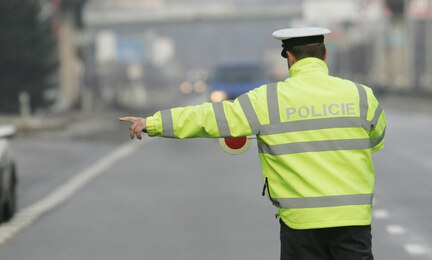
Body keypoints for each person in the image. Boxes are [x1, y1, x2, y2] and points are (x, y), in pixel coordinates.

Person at [119, 27, 386, 260]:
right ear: (325, 55)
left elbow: (212, 118)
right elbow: (376, 141)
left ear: (289, 58)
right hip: (354, 222)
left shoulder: (268, 100)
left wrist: (154, 123)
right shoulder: (361, 95)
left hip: (301, 225)